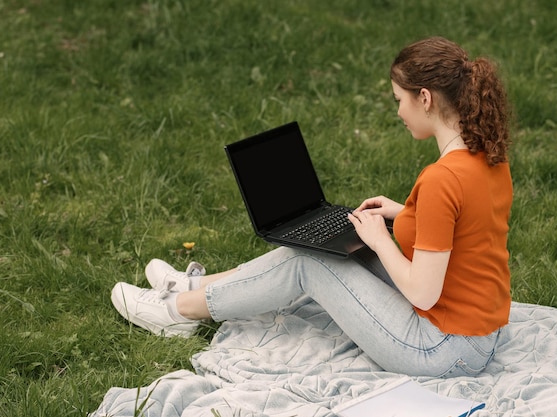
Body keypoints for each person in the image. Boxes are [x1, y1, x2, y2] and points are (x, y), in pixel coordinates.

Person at [110, 36, 513, 378]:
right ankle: (194, 287)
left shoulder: (443, 179)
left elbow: (424, 293)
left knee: (311, 264)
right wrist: (404, 214)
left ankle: (177, 313)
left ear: (424, 98)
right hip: (479, 334)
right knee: (325, 246)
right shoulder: (487, 158)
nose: (397, 112)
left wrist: (381, 239)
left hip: (443, 349)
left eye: (399, 100)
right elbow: (467, 232)